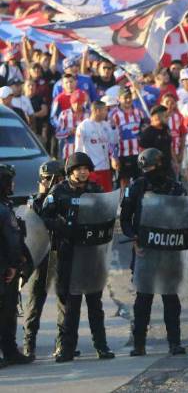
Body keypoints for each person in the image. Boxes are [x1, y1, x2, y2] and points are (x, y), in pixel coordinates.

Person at [40, 152, 115, 363]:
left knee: (95, 303)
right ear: (71, 171)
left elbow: (107, 216)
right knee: (71, 305)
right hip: (69, 253)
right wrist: (61, 226)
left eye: (86, 169)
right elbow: (45, 216)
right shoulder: (59, 191)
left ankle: (101, 346)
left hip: (91, 254)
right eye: (79, 169)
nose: (83, 172)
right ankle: (67, 348)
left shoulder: (95, 190)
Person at [121, 148, 188, 356]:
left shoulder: (175, 188)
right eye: (145, 168)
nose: (148, 171)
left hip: (169, 250)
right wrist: (133, 237)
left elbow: (186, 216)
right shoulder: (137, 187)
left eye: (151, 167)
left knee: (170, 298)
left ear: (160, 165)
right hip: (145, 250)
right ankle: (139, 344)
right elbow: (125, 219)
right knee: (143, 299)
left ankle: (174, 342)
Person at [22, 160, 65, 359]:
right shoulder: (36, 200)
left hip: (62, 252)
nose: (49, 182)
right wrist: (42, 195)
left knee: (65, 300)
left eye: (53, 179)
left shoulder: (66, 196)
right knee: (35, 300)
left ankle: (63, 343)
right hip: (43, 255)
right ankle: (29, 344)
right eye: (46, 179)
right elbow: (34, 220)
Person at [0, 164, 33, 366]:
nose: (13, 185)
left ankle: (10, 351)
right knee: (6, 310)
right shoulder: (4, 210)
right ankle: (10, 351)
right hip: (4, 268)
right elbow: (13, 240)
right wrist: (14, 265)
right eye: (9, 181)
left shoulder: (5, 205)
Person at [74, 100, 116, 192]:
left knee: (107, 195)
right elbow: (78, 150)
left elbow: (112, 144)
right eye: (105, 110)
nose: (106, 113)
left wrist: (114, 158)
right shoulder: (83, 126)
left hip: (106, 168)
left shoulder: (106, 125)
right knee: (95, 196)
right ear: (97, 111)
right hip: (92, 170)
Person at [110, 86, 145, 189]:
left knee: (140, 181)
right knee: (123, 183)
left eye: (129, 97)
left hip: (138, 154)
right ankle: (124, 199)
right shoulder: (114, 115)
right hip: (122, 155)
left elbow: (144, 131)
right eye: (125, 97)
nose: (128, 100)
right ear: (119, 99)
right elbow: (110, 138)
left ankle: (137, 199)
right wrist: (113, 157)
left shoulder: (139, 112)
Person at [138, 105, 174, 173]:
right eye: (165, 116)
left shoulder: (166, 129)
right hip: (154, 169)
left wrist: (174, 161)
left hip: (167, 167)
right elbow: (142, 153)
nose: (168, 118)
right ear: (156, 117)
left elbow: (169, 146)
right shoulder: (148, 132)